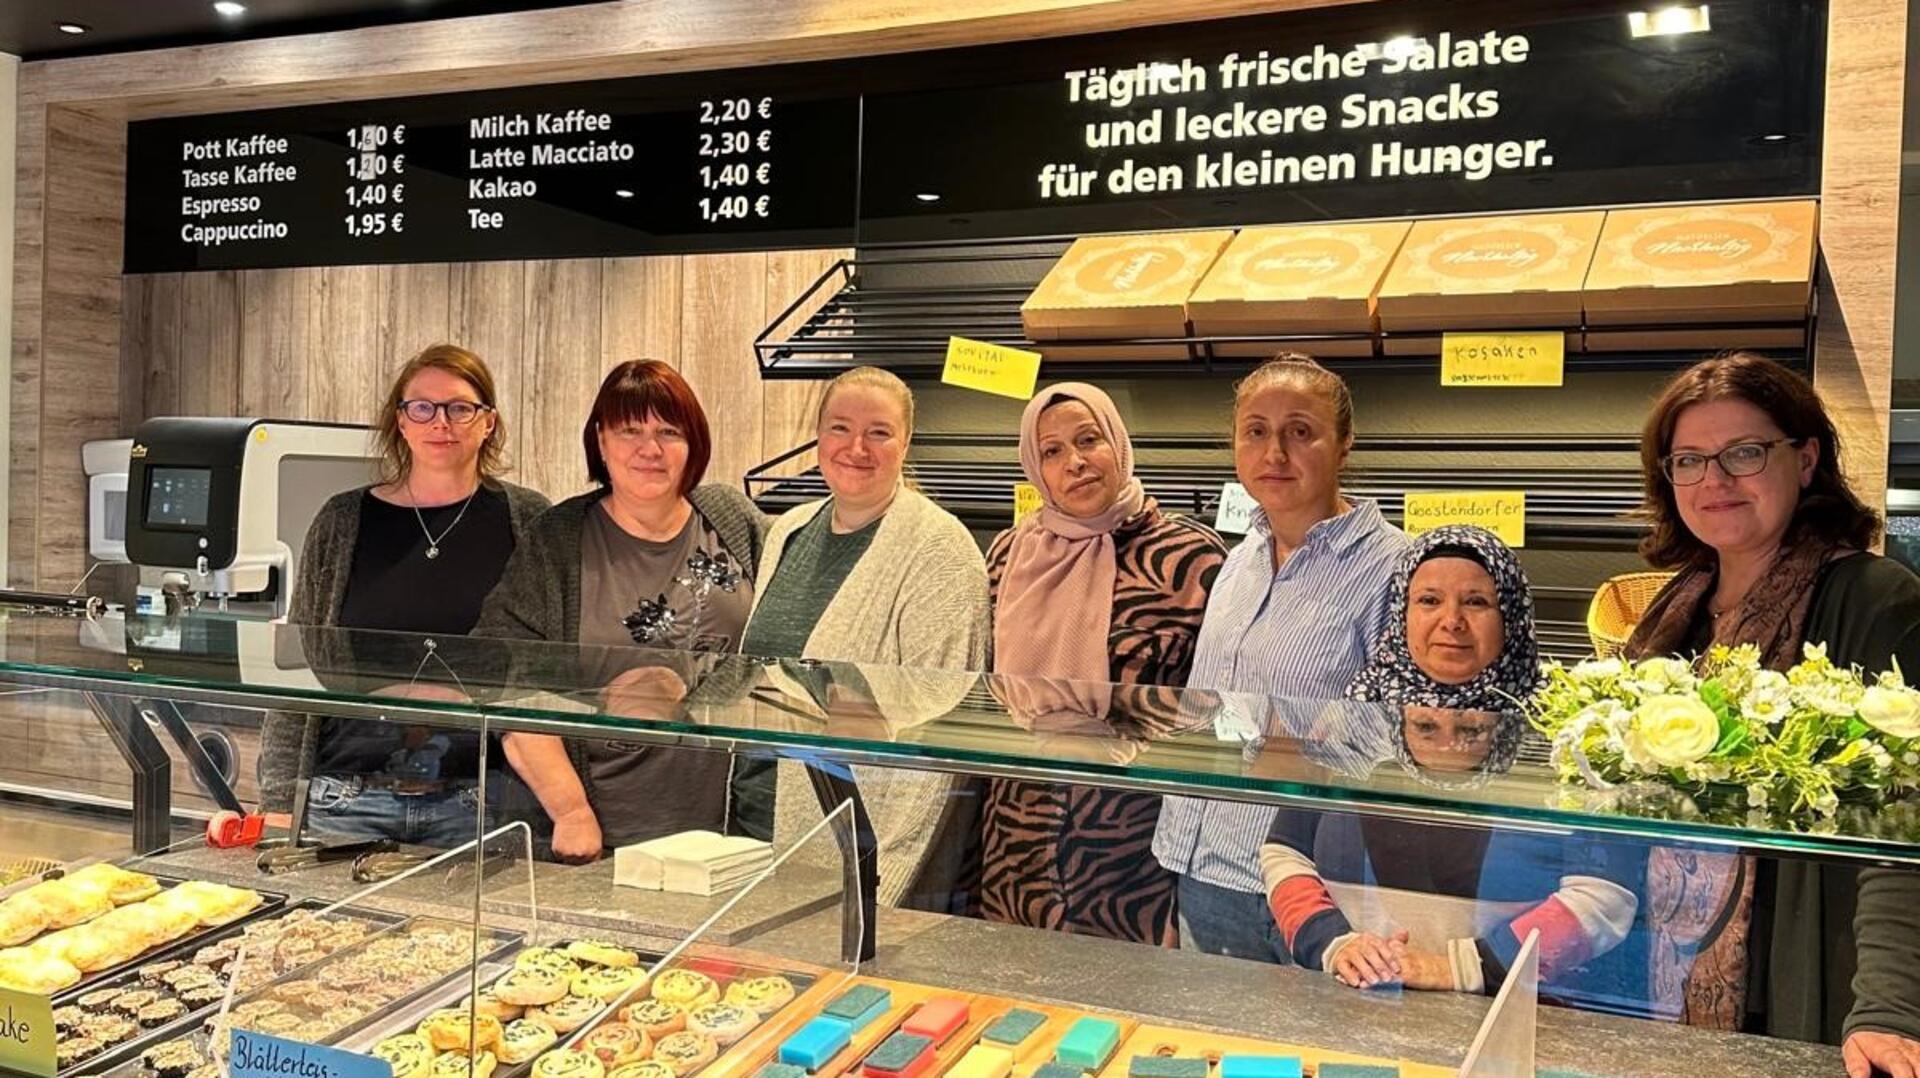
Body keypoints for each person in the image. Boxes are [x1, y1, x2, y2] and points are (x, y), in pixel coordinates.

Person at [1622, 352, 1920, 1073]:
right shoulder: (1671, 611)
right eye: (1688, 460)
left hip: (1806, 977)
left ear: (1807, 458)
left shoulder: (1877, 601)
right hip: (1668, 974)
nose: (1714, 480)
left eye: (1744, 452)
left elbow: (1907, 813)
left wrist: (1888, 1004)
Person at [1261, 526, 1641, 1006]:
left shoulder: (1561, 733)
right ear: (1401, 611)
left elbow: (1605, 895)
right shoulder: (1351, 719)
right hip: (1355, 999)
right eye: (1429, 600)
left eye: (1476, 602)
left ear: (1511, 614)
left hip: (1511, 1014)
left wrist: (1459, 969)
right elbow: (1285, 852)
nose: (1452, 621)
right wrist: (1337, 945)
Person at [1152, 353, 1410, 961]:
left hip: (1305, 884)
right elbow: (1202, 708)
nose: (1275, 454)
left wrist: (1298, 738)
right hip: (1199, 866)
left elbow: (1401, 738)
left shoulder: (1397, 568)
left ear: (1344, 444)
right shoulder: (1238, 560)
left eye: (1300, 431)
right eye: (1256, 432)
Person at [257, 343, 551, 845]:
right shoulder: (341, 521)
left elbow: (552, 672)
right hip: (345, 800)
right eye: (422, 407)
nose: (442, 422)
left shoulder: (531, 521)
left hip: (484, 803)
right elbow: (297, 671)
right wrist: (279, 804)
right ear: (401, 421)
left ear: (488, 423)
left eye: (461, 408)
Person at [473, 359, 767, 859]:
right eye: (630, 430)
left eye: (668, 431)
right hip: (598, 833)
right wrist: (571, 811)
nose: (650, 449)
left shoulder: (730, 518)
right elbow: (506, 682)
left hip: (730, 833)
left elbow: (779, 642)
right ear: (601, 442)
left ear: (693, 443)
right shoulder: (558, 538)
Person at [978, 382, 1225, 943]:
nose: (1076, 462)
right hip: (1019, 831)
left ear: (1118, 442)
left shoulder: (1192, 558)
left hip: (1140, 841)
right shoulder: (1008, 556)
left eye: (1089, 440)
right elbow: (989, 696)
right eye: (1052, 451)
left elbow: (1216, 718)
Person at [741, 365, 989, 909]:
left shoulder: (940, 550)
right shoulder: (789, 530)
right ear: (818, 435)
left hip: (854, 852)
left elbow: (937, 737)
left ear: (906, 443)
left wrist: (882, 879)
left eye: (879, 431)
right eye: (839, 428)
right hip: (757, 824)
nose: (857, 447)